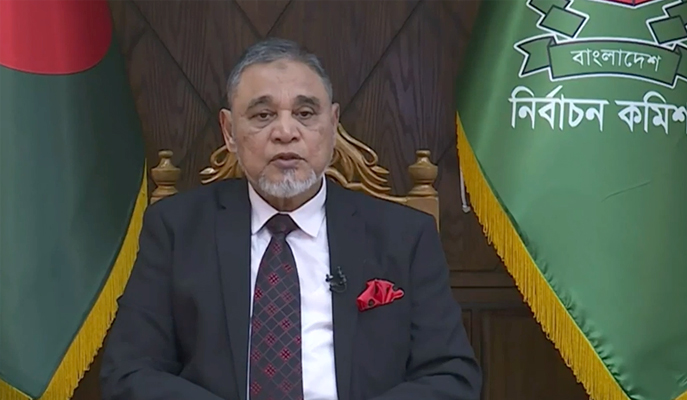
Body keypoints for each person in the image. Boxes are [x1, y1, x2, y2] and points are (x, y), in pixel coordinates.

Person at [100, 37, 482, 400]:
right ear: (229, 132)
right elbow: (129, 371)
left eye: (305, 113)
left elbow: (451, 375)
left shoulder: (404, 236)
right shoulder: (176, 229)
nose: (285, 132)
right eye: (263, 115)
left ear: (333, 125)